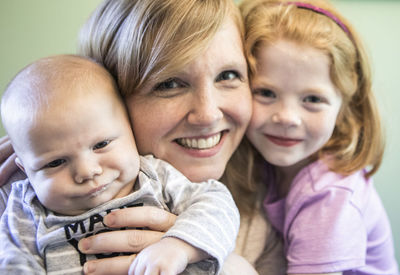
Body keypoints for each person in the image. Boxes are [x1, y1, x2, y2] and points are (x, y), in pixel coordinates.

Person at [0, 0, 286, 274]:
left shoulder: (272, 208)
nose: (209, 114)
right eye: (169, 83)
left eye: (227, 75)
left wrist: (226, 266)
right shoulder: (17, 204)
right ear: (111, 101)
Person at [0, 54, 244, 275]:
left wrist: (180, 245)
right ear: (25, 169)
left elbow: (216, 202)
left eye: (101, 144)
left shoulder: (152, 175)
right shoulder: (24, 208)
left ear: (130, 128)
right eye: (55, 162)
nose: (87, 171)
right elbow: (13, 262)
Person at [236, 0, 399, 274]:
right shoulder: (266, 163)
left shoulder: (329, 196)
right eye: (266, 93)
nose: (286, 117)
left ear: (344, 109)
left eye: (312, 99)